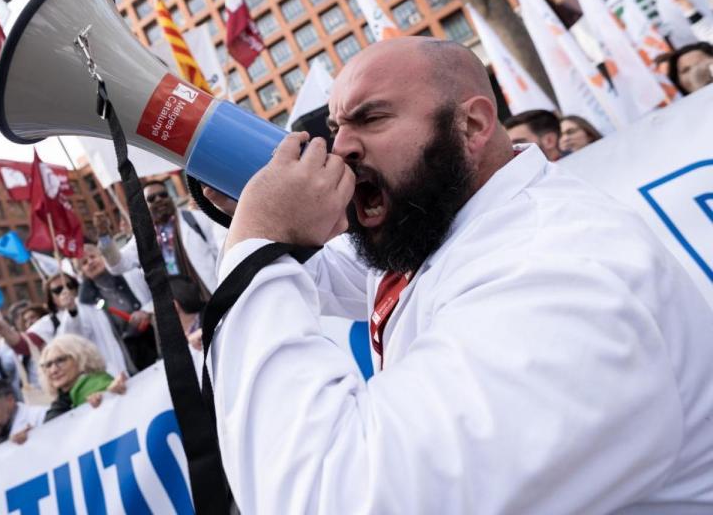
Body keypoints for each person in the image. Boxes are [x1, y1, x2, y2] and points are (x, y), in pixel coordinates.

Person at [206, 37, 713, 512]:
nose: (342, 149)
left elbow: (330, 494)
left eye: (371, 118)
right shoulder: (447, 220)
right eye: (339, 129)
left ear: (471, 125)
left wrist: (262, 241)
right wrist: (266, 212)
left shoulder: (556, 272)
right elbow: (333, 271)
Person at [97, 179, 226, 297]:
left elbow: (221, 254)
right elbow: (119, 265)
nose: (159, 199)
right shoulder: (143, 238)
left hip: (211, 297)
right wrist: (104, 238)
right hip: (182, 314)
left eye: (163, 195)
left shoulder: (197, 219)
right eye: (151, 198)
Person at [0, 272, 130, 377]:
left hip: (124, 368)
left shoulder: (95, 305)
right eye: (58, 290)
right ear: (51, 298)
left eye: (69, 286)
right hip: (93, 381)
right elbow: (25, 344)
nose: (65, 291)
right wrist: (4, 330)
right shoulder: (49, 322)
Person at [79, 241, 157, 372]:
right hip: (131, 355)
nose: (90, 262)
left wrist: (146, 311)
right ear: (81, 272)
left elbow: (158, 292)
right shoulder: (86, 303)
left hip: (156, 333)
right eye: (84, 263)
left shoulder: (129, 272)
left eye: (93, 257)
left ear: (102, 256)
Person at [39, 334, 127, 422]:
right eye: (48, 365)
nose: (54, 370)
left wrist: (111, 395)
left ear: (80, 358)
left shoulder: (98, 386)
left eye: (61, 360)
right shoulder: (62, 401)